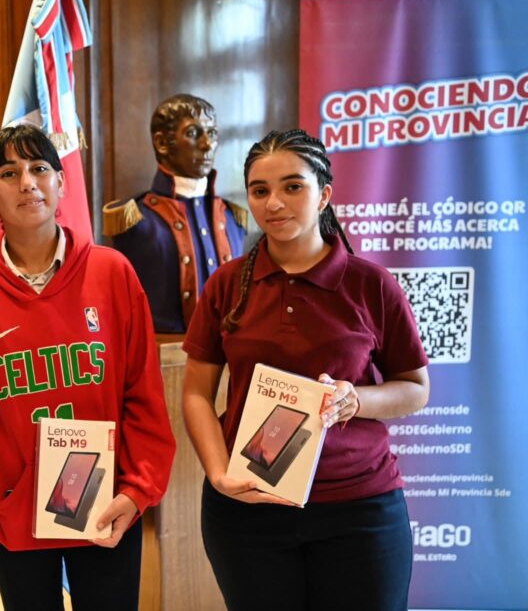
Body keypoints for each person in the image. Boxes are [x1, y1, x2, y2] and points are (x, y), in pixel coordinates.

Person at [181, 129, 430, 611]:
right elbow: (196, 394)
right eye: (260, 190)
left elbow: (415, 388)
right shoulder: (227, 284)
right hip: (249, 507)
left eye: (293, 186)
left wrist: (354, 399)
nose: (274, 203)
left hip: (359, 507)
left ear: (324, 195)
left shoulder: (371, 284)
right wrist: (219, 474)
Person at [0, 124, 176, 611]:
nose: (28, 182)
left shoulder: (112, 272)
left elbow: (143, 395)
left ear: (62, 181)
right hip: (10, 504)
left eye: (40, 168)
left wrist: (137, 489)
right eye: (9, 173)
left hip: (105, 499)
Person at [104, 93, 248, 333]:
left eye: (212, 133)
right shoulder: (134, 219)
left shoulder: (233, 216)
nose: (207, 145)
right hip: (159, 351)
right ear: (162, 143)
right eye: (193, 133)